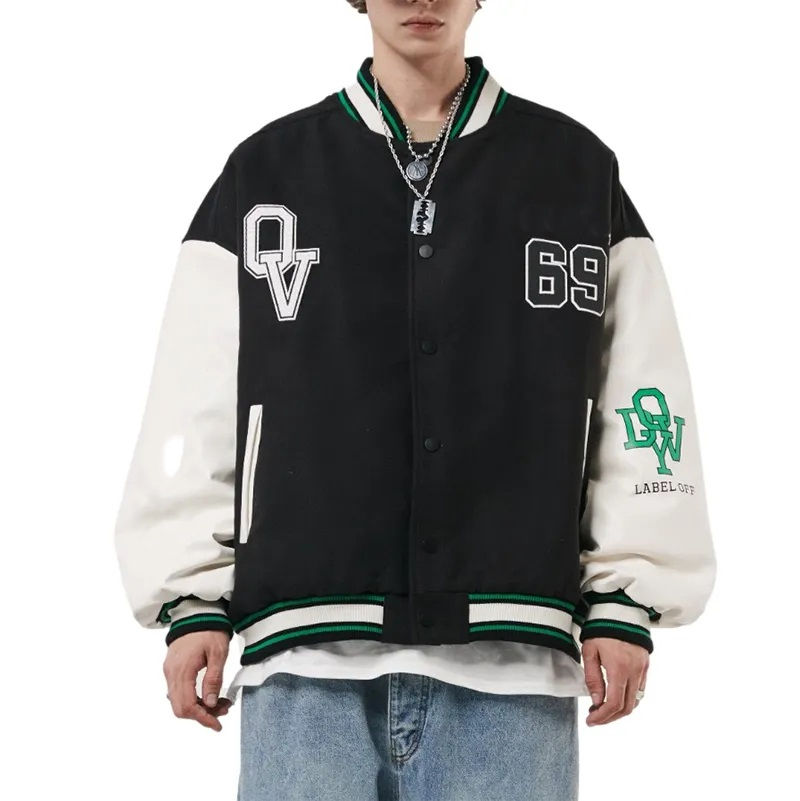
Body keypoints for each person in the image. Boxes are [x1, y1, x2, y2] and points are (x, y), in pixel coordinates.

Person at [113, 1, 717, 799]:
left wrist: (626, 597)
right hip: (306, 659)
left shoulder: (573, 172)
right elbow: (196, 395)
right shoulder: (267, 172)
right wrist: (192, 597)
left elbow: (641, 390)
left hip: (511, 667)